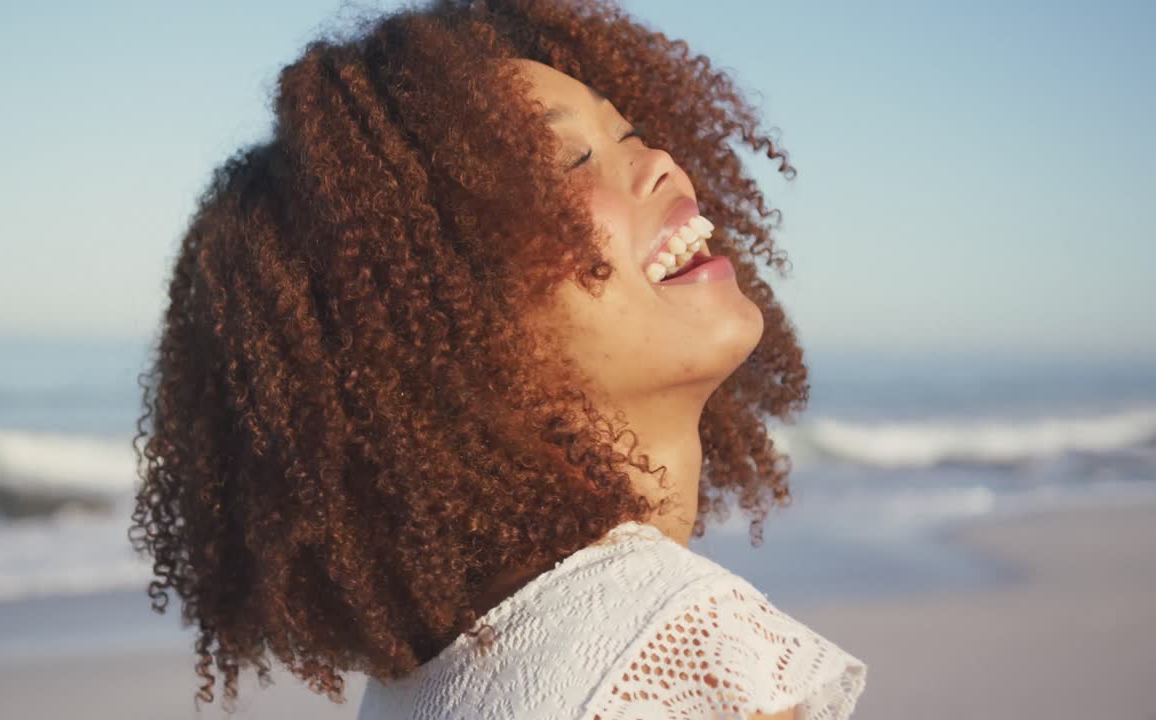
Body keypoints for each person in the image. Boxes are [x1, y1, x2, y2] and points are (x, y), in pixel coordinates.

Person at [128, 0, 868, 718]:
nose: (663, 165)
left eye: (632, 134)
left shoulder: (422, 688)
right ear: (448, 331)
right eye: (569, 160)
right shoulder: (688, 653)